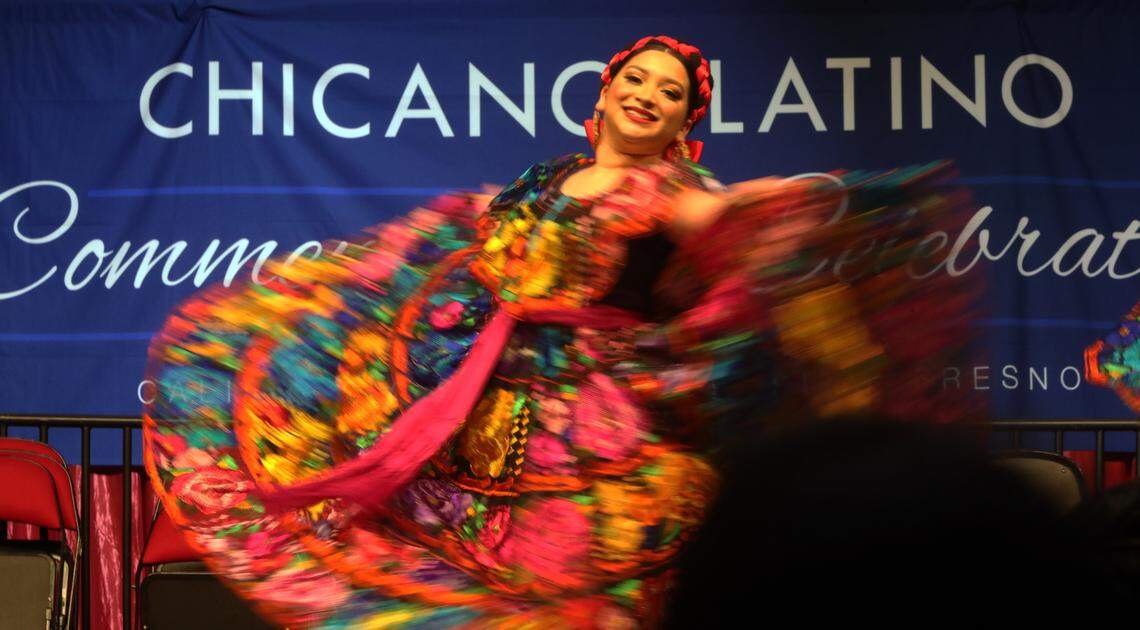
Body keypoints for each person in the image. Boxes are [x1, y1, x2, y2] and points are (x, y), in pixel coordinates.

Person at [143, 35, 976, 628]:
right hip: (482, 419)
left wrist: (784, 207)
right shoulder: (542, 181)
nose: (647, 96)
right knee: (464, 578)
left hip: (587, 424)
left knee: (580, 595)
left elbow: (724, 223)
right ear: (603, 94)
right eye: (636, 80)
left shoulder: (674, 188)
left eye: (670, 93)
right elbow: (454, 256)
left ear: (685, 120)